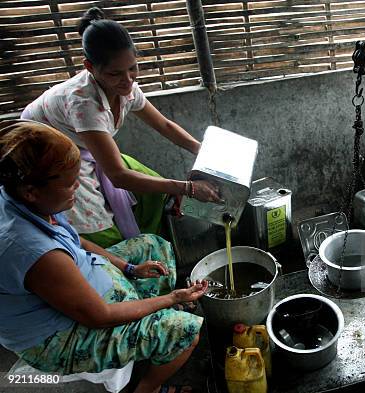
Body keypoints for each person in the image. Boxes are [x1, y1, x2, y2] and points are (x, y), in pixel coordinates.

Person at [0, 120, 207, 393]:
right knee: (187, 329)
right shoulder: (32, 251)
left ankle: (149, 330)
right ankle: (148, 387)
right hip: (59, 335)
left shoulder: (26, 199)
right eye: (70, 183)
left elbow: (77, 241)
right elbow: (100, 316)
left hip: (85, 282)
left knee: (152, 245)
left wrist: (130, 267)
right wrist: (173, 297)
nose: (78, 187)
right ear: (32, 191)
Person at [21, 7, 219, 248]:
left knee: (156, 193)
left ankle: (149, 247)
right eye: (115, 73)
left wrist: (204, 152)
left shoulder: (126, 88)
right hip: (50, 157)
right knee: (100, 230)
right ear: (90, 67)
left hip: (86, 147)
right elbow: (117, 175)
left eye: (132, 68)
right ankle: (125, 262)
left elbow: (165, 125)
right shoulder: (84, 103)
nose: (127, 80)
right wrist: (187, 188)